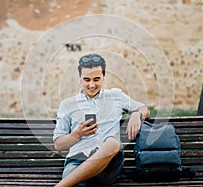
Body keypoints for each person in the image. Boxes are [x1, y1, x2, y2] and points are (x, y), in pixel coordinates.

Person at [53, 53, 150, 187]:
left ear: (104, 77)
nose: (92, 85)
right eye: (87, 80)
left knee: (112, 142)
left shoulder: (116, 96)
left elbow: (145, 109)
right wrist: (78, 133)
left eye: (96, 79)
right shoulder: (67, 104)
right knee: (75, 180)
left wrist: (136, 114)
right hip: (77, 161)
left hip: (108, 164)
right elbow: (59, 145)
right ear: (80, 78)